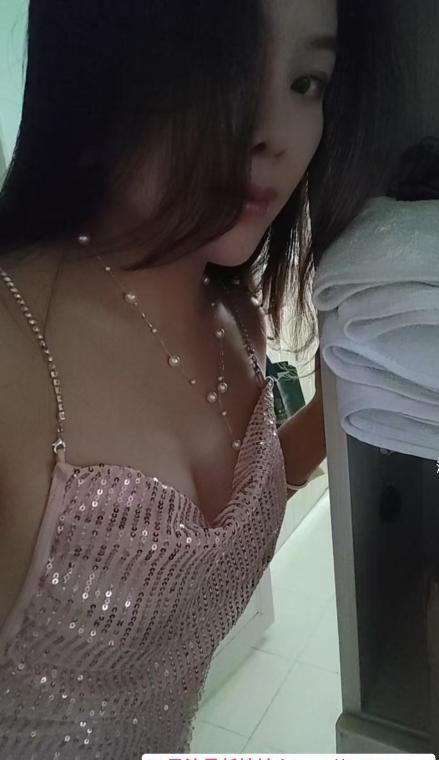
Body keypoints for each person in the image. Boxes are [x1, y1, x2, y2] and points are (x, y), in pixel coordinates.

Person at [0, 0, 397, 756]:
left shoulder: (234, 316)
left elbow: (213, 541)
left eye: (306, 83)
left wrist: (342, 395)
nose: (273, 132)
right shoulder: (15, 353)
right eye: (222, 68)